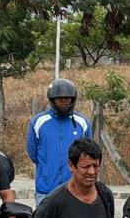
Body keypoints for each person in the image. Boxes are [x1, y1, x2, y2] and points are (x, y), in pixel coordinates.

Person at [26, 78, 90, 206]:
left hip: (75, 190)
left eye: (67, 98)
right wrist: (46, 168)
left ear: (73, 99)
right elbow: (33, 153)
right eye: (59, 98)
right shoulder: (38, 122)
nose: (64, 100)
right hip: (45, 191)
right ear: (52, 99)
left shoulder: (83, 123)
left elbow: (88, 154)